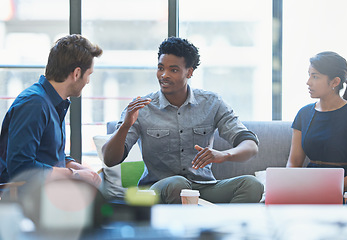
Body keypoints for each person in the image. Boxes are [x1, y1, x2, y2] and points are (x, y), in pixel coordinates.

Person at [102, 37, 263, 204]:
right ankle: (188, 228)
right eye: (160, 68)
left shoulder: (211, 102)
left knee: (252, 185)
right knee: (177, 183)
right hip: (160, 189)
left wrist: (224, 155)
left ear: (190, 72)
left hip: (203, 187)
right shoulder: (142, 107)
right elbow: (109, 159)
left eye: (173, 70)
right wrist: (126, 125)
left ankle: (222, 227)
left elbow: (250, 145)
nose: (164, 75)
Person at [0, 34, 103, 188]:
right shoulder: (34, 104)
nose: (88, 81)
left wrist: (74, 166)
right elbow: (20, 167)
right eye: (89, 75)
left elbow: (47, 154)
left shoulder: (52, 102)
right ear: (76, 73)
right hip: (25, 198)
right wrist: (72, 174)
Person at [286, 51, 347, 198]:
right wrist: (290, 185)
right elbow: (293, 163)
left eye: (315, 76)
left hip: (345, 190)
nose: (308, 82)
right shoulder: (303, 114)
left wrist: (328, 188)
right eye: (309, 75)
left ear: (335, 82)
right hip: (308, 187)